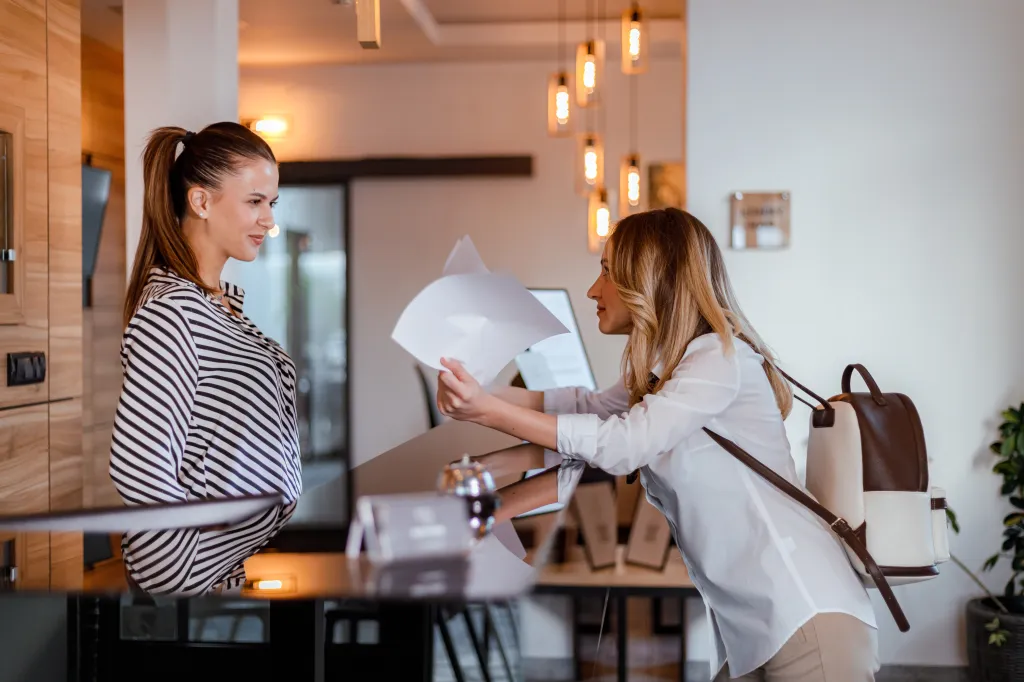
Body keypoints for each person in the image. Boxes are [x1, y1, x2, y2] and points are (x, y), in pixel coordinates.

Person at [435, 208, 880, 681]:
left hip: (803, 611)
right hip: (755, 623)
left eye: (606, 270)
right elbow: (584, 410)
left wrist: (487, 410)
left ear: (647, 279)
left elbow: (620, 446)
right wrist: (474, 390)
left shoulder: (718, 360)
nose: (593, 289)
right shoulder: (665, 372)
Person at [109, 122, 302, 596]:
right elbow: (139, 467)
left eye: (271, 204)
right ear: (201, 201)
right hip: (186, 588)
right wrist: (182, 576)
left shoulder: (213, 305)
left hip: (220, 577)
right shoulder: (173, 313)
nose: (268, 220)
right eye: (254, 202)